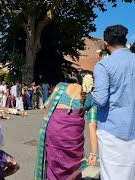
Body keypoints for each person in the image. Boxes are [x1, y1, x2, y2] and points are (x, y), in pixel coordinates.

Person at [35, 71, 98, 180]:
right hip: (72, 138)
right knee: (73, 166)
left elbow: (47, 105)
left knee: (53, 164)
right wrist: (94, 152)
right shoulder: (91, 99)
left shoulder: (61, 86)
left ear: (77, 78)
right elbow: (92, 126)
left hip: (53, 131)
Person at [91, 25, 135, 180]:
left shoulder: (104, 65)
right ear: (125, 40)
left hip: (113, 130)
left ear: (105, 43)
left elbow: (101, 99)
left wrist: (90, 96)